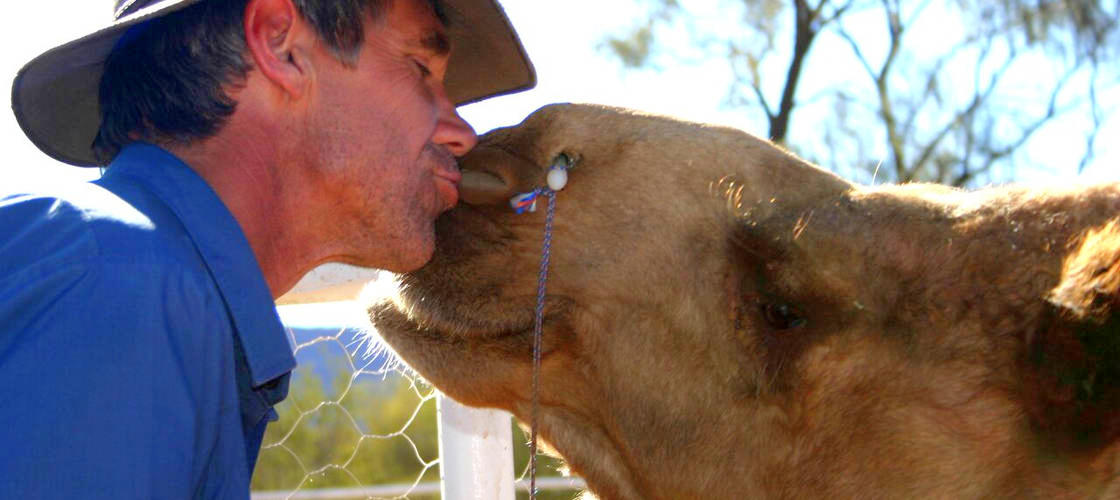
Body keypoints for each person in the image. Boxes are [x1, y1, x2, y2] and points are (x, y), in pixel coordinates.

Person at [0, 0, 534, 497]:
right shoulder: (124, 288)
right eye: (420, 69)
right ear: (281, 43)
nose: (462, 133)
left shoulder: (136, 280)